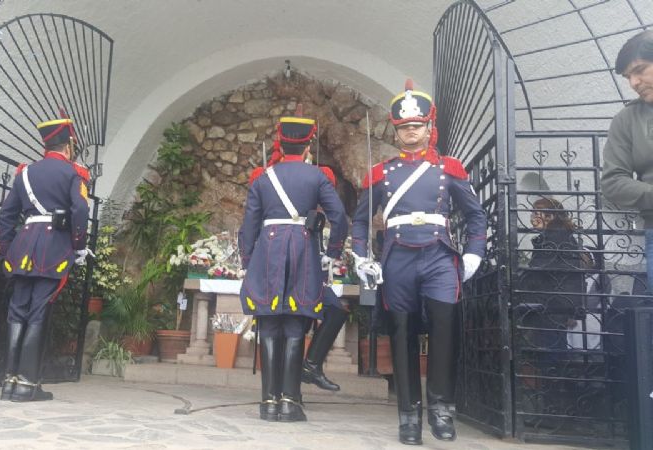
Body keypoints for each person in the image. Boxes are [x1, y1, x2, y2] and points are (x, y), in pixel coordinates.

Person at [351, 80, 486, 445]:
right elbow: (361, 220)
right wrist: (361, 256)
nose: (411, 133)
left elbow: (476, 217)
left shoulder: (449, 169)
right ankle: (408, 415)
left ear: (429, 128)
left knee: (444, 329)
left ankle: (442, 409)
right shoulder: (382, 173)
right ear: (397, 132)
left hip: (440, 255)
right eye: (404, 128)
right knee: (402, 332)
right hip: (397, 257)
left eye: (417, 126)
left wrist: (473, 252)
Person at [239, 113, 348, 422]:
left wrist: (248, 260)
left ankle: (268, 403)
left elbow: (249, 226)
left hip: (268, 251)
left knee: (269, 325)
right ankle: (290, 403)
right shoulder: (317, 177)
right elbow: (339, 216)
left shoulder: (263, 177)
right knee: (296, 324)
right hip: (302, 249)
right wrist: (333, 251)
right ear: (307, 145)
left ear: (281, 142)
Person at [0, 117, 91, 402]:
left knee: (17, 311)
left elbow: (6, 216)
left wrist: (8, 250)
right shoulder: (74, 172)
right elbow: (80, 213)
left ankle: (9, 383)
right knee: (38, 312)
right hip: (54, 250)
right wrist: (78, 246)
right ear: (69, 144)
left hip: (23, 248)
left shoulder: (24, 173)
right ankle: (27, 385)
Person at [601, 29, 653, 293]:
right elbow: (613, 182)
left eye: (640, 70)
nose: (633, 82)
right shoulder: (627, 120)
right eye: (627, 77)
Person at [518, 198, 589, 361]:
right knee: (552, 351)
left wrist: (518, 286)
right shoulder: (556, 235)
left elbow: (541, 270)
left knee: (551, 355)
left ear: (550, 216)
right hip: (556, 304)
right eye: (532, 213)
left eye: (537, 213)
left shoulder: (554, 237)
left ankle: (556, 383)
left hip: (553, 305)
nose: (532, 218)